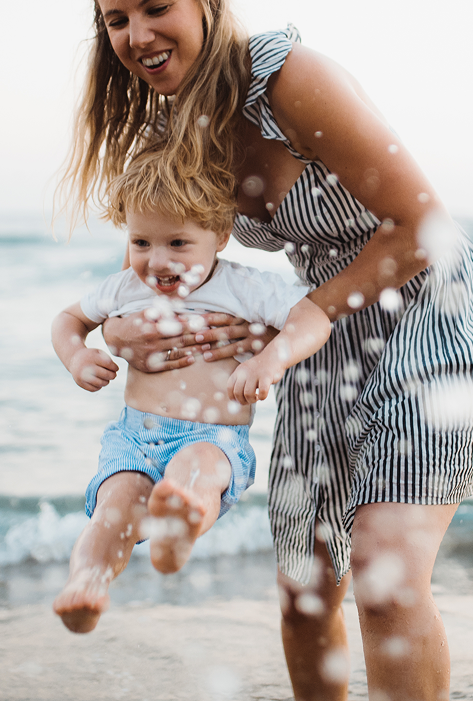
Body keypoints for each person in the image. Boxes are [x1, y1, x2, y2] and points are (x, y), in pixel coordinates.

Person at [55, 0, 473, 699]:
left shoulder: (288, 78)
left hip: (428, 313)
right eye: (117, 18)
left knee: (384, 572)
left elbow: (424, 224)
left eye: (155, 6)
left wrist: (311, 314)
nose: (136, 33)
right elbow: (178, 261)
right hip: (316, 331)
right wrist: (150, 328)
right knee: (307, 595)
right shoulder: (177, 128)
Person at [52, 147, 331, 634]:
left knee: (192, 474)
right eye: (141, 242)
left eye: (178, 243)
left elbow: (313, 318)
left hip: (212, 438)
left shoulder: (243, 288)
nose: (157, 262)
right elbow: (68, 319)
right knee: (114, 509)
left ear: (220, 235)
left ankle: (178, 530)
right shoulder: (125, 287)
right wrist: (77, 355)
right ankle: (87, 582)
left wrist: (272, 357)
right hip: (133, 436)